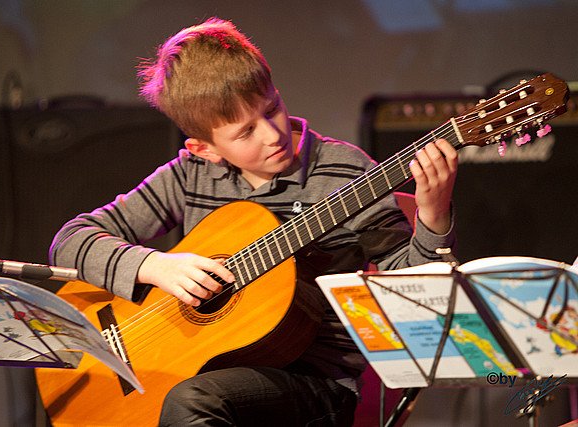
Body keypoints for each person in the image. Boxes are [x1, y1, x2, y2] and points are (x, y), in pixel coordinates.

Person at [50, 17, 458, 426]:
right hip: (199, 375)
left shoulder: (345, 172)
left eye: (273, 109)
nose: (272, 134)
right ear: (205, 149)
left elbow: (416, 295)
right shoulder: (192, 174)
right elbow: (70, 240)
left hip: (314, 387)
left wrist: (434, 215)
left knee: (193, 400)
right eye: (245, 132)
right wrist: (153, 266)